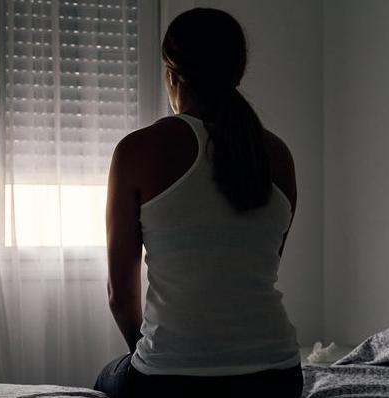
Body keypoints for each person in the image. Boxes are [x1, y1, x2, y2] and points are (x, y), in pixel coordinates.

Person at [93, 8, 303, 398]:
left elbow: (121, 298)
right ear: (238, 74)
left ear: (171, 74)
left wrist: (156, 357)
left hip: (170, 382)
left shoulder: (137, 151)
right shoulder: (278, 155)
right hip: (278, 377)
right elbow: (257, 267)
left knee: (104, 381)